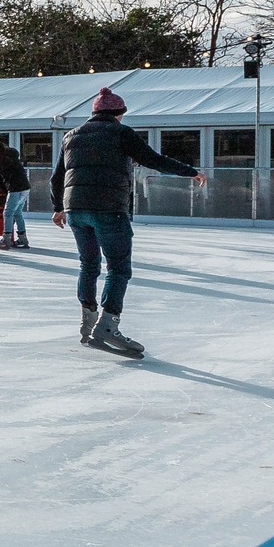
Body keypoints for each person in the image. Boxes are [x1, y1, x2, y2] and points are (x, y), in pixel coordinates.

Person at [50, 88, 205, 358]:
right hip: (109, 207)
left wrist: (58, 208)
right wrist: (190, 172)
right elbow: (154, 160)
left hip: (75, 208)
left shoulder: (70, 135)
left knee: (88, 265)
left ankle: (88, 324)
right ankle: (107, 326)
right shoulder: (121, 132)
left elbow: (57, 177)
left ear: (94, 112)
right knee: (118, 268)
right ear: (119, 114)